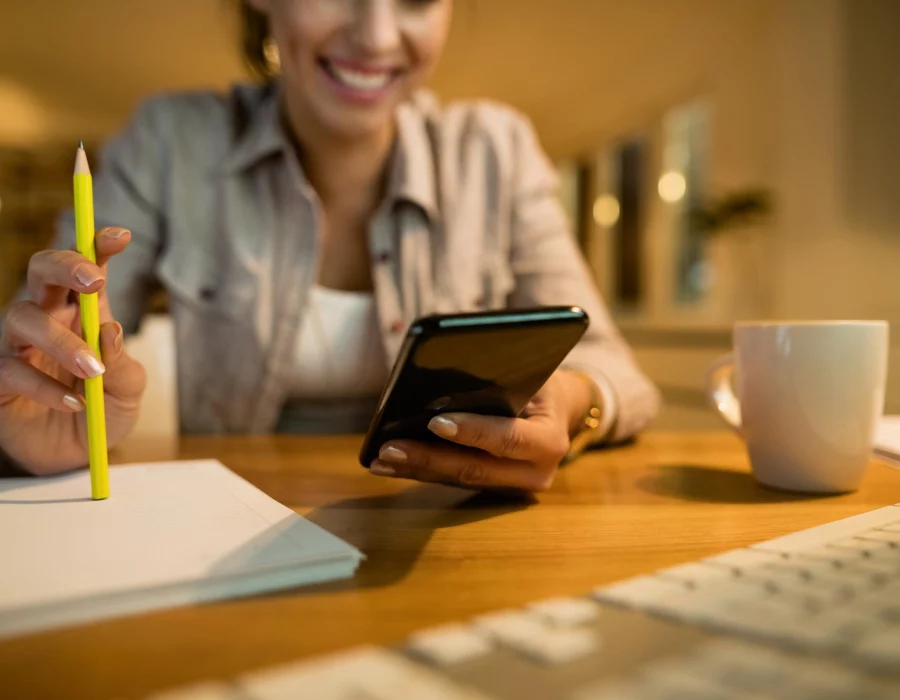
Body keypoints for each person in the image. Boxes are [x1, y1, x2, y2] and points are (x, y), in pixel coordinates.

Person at [0, 0, 659, 492]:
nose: (374, 36)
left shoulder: (497, 150)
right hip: (224, 524)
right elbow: (55, 335)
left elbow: (613, 368)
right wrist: (35, 416)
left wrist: (573, 406)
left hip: (434, 529)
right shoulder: (170, 141)